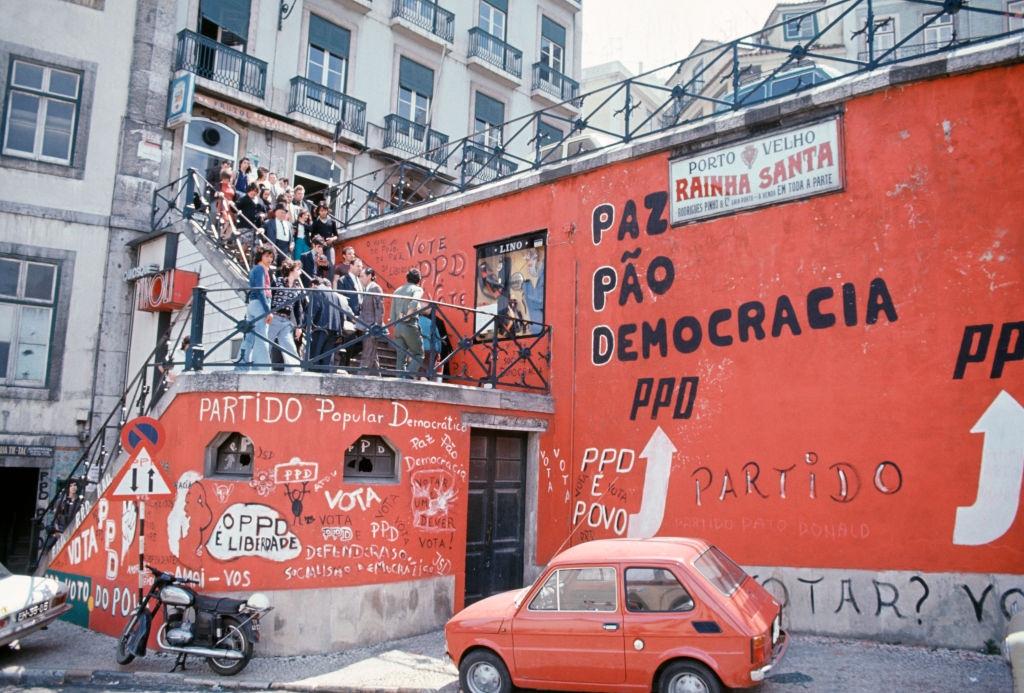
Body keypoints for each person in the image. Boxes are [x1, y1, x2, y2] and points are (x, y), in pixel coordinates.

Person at [237, 246, 274, 371]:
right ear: (260, 257)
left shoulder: (256, 269)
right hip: (260, 303)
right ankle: (263, 367)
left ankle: (241, 365)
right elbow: (261, 290)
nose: (270, 259)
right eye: (267, 256)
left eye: (271, 256)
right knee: (262, 335)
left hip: (253, 303)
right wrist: (268, 311)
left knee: (249, 336)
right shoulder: (260, 269)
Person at [35, 479, 82, 568]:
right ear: (68, 487)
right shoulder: (61, 501)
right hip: (59, 531)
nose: (73, 488)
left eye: (75, 485)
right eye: (71, 485)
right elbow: (56, 518)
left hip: (72, 532)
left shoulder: (80, 502)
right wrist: (58, 532)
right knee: (48, 547)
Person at [268, 260, 304, 369]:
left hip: (286, 321)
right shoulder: (278, 282)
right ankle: (255, 366)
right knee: (266, 344)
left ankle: (295, 371)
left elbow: (298, 308)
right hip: (274, 318)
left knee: (289, 347)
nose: (300, 272)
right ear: (291, 270)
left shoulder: (297, 287)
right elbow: (269, 298)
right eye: (298, 269)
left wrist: (299, 326)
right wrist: (267, 314)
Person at [389, 268, 424, 375]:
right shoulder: (417, 289)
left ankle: (399, 381)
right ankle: (407, 377)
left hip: (398, 327)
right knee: (419, 355)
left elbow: (392, 313)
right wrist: (408, 316)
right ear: (419, 280)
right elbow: (414, 302)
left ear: (407, 278)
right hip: (410, 325)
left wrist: (397, 323)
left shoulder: (397, 290)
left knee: (400, 358)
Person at [307, 278, 344, 372]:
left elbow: (313, 309)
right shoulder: (335, 295)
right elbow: (341, 314)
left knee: (314, 358)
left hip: (320, 327)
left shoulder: (317, 290)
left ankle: (313, 382)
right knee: (326, 360)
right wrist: (340, 331)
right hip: (334, 329)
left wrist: (305, 324)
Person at [358, 266, 385, 374]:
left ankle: (360, 378)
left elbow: (379, 310)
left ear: (369, 276)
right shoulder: (368, 288)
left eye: (362, 276)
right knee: (373, 356)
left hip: (372, 327)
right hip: (367, 326)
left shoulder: (375, 288)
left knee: (367, 354)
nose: (360, 279)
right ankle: (378, 379)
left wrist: (376, 328)